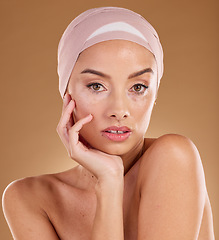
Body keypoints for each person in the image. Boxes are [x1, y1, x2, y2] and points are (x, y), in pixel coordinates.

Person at [2, 7, 215, 240]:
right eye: (96, 86)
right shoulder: (28, 198)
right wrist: (109, 182)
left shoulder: (174, 157)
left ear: (155, 95)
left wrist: (110, 185)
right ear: (66, 92)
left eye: (138, 87)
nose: (119, 111)